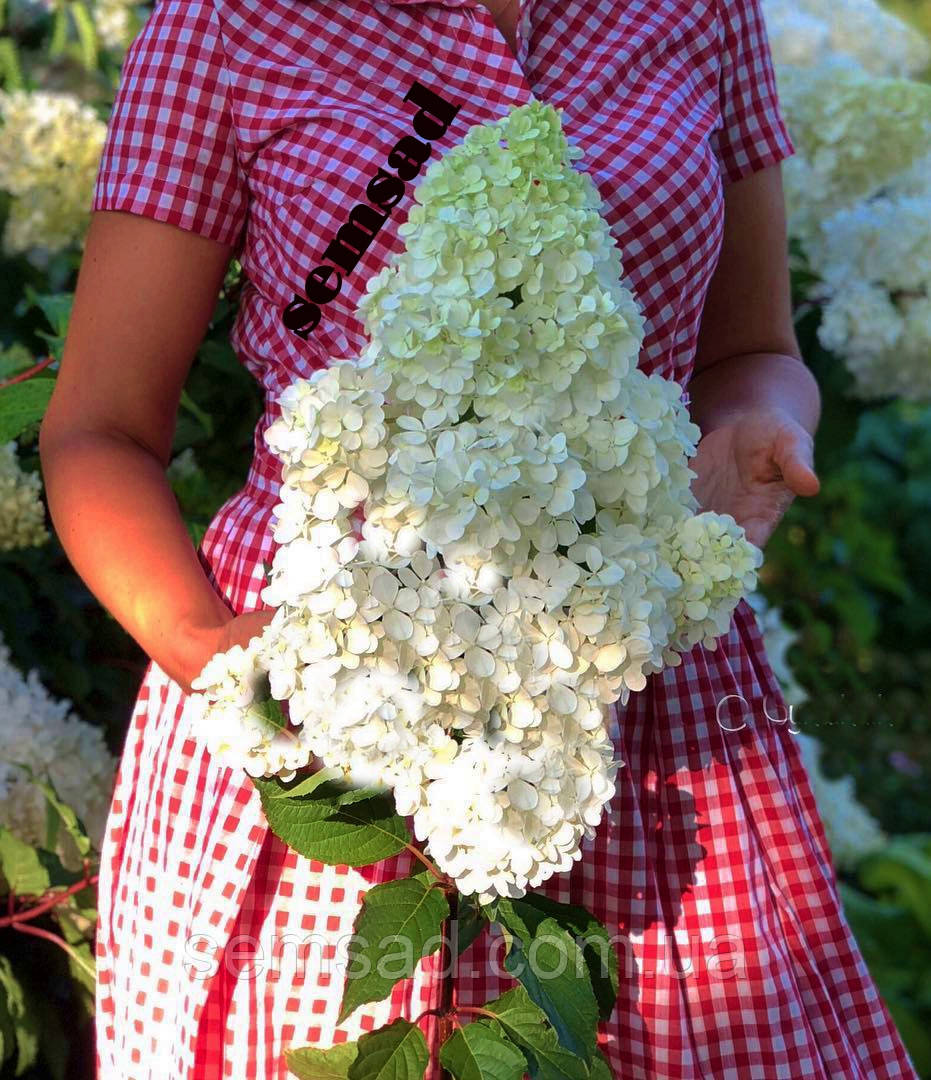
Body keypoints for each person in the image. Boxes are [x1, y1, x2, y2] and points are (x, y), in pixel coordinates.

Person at [37, 0, 919, 1077]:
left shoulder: (699, 10)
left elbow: (752, 349)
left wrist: (757, 423)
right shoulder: (228, 22)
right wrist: (219, 658)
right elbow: (100, 430)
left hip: (635, 668)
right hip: (337, 685)